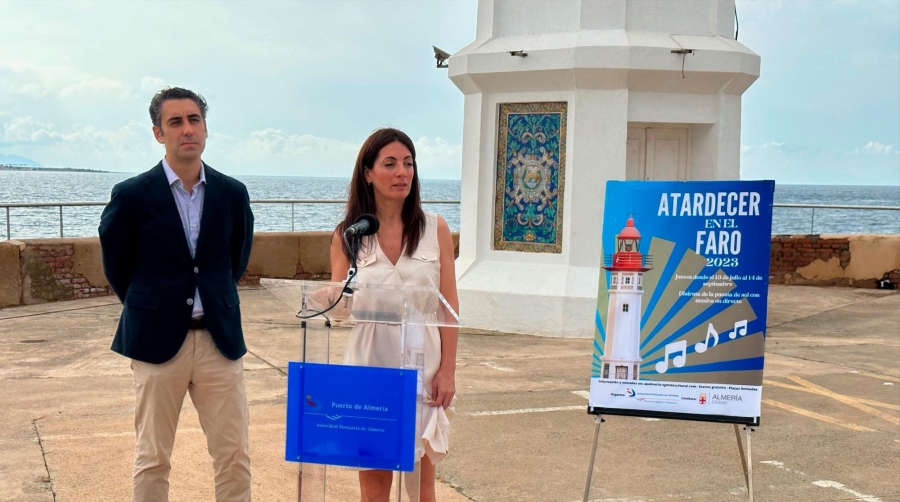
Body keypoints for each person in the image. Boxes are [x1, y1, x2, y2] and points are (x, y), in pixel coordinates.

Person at [98, 87, 255, 502]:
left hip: (219, 341)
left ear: (205, 128)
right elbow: (117, 266)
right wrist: (151, 307)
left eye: (194, 120)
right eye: (176, 122)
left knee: (234, 454)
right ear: (158, 133)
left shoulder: (232, 193)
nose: (187, 129)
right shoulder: (131, 195)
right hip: (155, 342)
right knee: (153, 457)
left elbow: (235, 261)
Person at [330, 128, 459, 502]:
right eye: (390, 164)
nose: (402, 172)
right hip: (369, 364)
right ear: (368, 173)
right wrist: (328, 296)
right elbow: (338, 309)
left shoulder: (435, 228)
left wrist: (448, 369)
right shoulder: (348, 235)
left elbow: (447, 307)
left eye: (408, 163)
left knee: (421, 487)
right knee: (373, 487)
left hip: (423, 363)